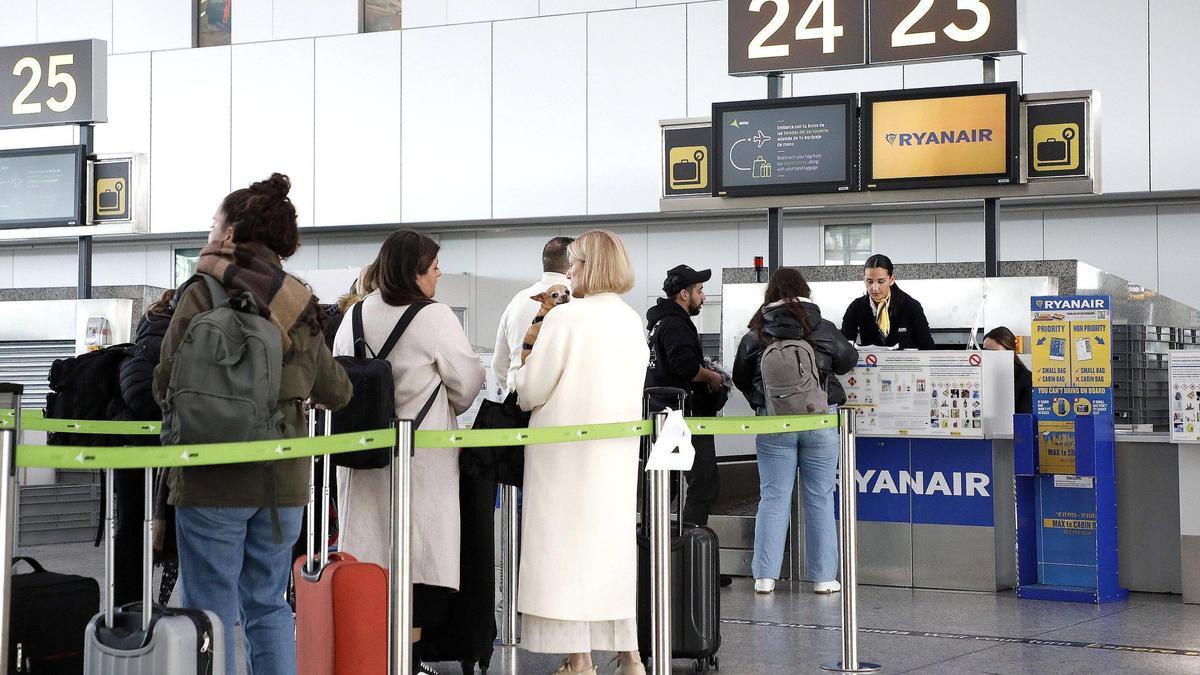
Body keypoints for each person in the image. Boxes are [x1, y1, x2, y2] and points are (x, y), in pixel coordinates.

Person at [153, 173, 353, 675]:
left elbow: (165, 381)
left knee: (210, 609)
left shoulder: (203, 290)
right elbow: (336, 391)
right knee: (267, 604)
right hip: (282, 478)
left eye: (215, 222)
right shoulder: (297, 299)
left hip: (212, 473)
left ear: (232, 230)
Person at [334, 230, 485, 674]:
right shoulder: (435, 318)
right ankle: (408, 659)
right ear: (414, 272)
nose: (439, 272)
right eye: (433, 265)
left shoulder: (354, 315)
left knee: (369, 557)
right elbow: (467, 384)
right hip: (421, 461)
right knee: (418, 564)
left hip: (362, 460)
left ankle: (373, 656)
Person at [514, 230, 648, 675]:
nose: (568, 272)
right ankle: (630, 657)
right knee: (608, 553)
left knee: (564, 556)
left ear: (589, 266)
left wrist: (520, 366)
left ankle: (579, 660)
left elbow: (530, 390)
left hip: (563, 458)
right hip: (615, 457)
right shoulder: (632, 320)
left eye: (574, 263)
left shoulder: (565, 319)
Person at [733, 268, 858, 596]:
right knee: (819, 498)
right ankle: (824, 578)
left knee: (773, 498)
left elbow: (740, 377)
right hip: (819, 420)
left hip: (773, 422)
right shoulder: (823, 328)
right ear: (805, 291)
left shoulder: (756, 332)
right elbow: (848, 360)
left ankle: (764, 577)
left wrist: (763, 402)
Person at [644, 265, 724, 528]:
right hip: (683, 417)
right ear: (683, 295)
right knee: (703, 484)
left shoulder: (659, 323)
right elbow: (687, 368)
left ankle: (659, 545)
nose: (703, 296)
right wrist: (713, 377)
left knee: (665, 488)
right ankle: (690, 548)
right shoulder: (677, 324)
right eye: (700, 290)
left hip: (661, 415)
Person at [116, 288, 177, 605]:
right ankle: (132, 608)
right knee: (135, 534)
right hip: (142, 454)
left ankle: (133, 607)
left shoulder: (154, 340)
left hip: (144, 454)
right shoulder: (155, 344)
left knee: (135, 534)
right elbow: (139, 393)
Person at [493, 236, 574, 396]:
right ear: (572, 264)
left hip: (517, 404)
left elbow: (499, 365)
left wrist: (516, 390)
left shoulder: (517, 300)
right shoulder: (578, 300)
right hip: (563, 403)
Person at [841, 254, 935, 350]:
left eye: (881, 282)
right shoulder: (856, 307)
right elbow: (843, 346)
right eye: (869, 281)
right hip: (871, 363)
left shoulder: (910, 306)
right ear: (864, 279)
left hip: (905, 363)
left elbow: (927, 347)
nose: (874, 288)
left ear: (891, 279)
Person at [984, 326, 1033, 414]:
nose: (988, 356)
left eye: (994, 352)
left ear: (1011, 352)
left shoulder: (1026, 380)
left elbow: (1024, 417)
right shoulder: (983, 375)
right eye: (985, 351)